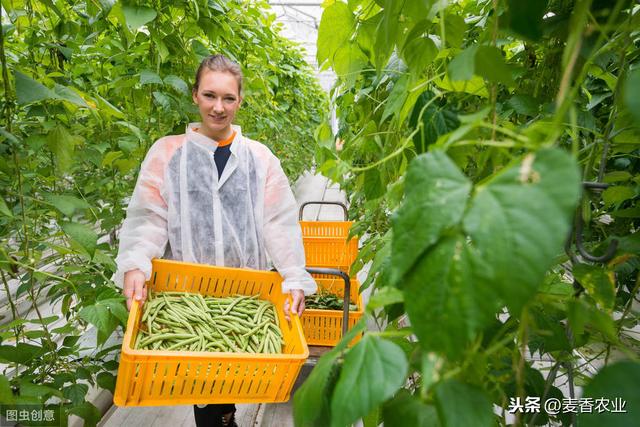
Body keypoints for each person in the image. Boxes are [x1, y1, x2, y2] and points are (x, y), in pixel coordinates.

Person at [113, 54, 317, 427]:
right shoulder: (167, 153)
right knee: (202, 375)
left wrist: (293, 276)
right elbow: (149, 216)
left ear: (240, 100)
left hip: (245, 290)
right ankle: (221, 420)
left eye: (228, 98)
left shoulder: (260, 159)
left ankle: (225, 417)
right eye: (209, 95)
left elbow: (279, 222)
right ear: (194, 95)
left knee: (235, 370)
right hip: (189, 290)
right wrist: (136, 263)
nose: (218, 108)